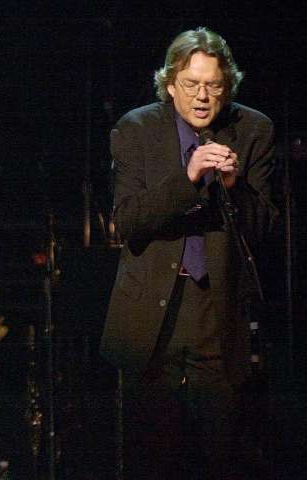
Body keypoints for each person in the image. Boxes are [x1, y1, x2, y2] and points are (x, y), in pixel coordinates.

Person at [100, 28, 277, 479]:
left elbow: (265, 231)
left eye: (213, 86)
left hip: (218, 315)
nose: (202, 97)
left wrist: (235, 189)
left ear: (227, 85)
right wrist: (188, 178)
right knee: (153, 456)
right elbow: (129, 221)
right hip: (151, 315)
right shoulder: (135, 128)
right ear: (171, 83)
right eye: (191, 85)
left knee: (221, 454)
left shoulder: (253, 129)